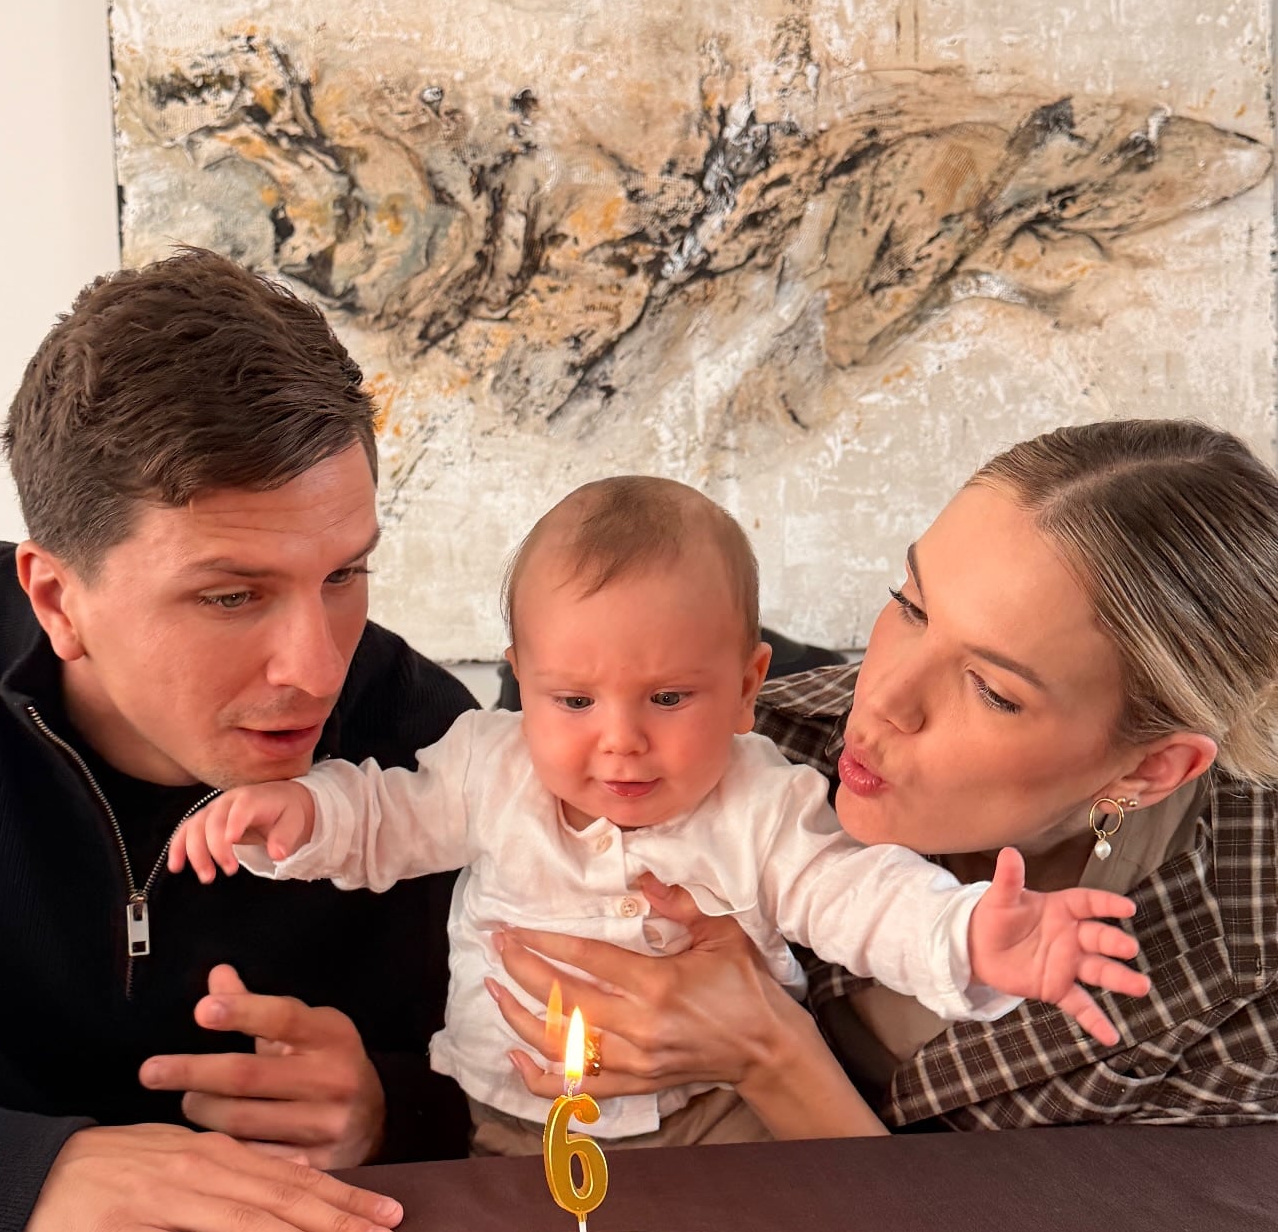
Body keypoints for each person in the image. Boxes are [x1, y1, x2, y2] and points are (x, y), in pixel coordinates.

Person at [171, 476, 1149, 1152]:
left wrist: (975, 933)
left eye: (670, 700)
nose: (620, 742)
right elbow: (389, 818)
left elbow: (864, 895)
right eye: (574, 701)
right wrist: (298, 813)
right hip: (517, 1115)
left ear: (745, 686)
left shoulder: (762, 802)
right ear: (522, 681)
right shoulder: (488, 769)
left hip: (722, 1116)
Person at [487, 421, 1278, 1134]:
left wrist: (770, 1055)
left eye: (993, 690)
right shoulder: (741, 739)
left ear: (1148, 768)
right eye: (910, 605)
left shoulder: (1247, 980)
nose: (882, 701)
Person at [0, 250, 473, 1232]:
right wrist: (13, 1176)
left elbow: (519, 1086)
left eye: (343, 573)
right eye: (233, 596)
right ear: (58, 599)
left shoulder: (433, 753)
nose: (317, 667)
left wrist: (389, 1106)